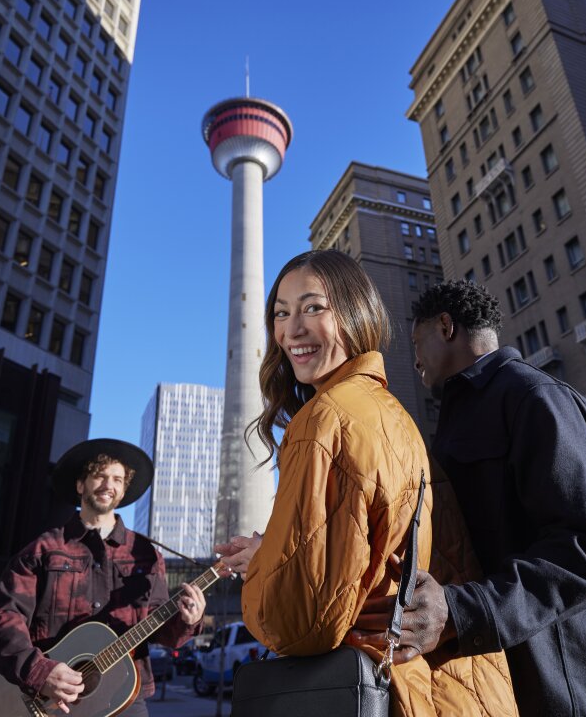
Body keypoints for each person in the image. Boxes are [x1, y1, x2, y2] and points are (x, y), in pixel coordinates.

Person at [217, 250, 517, 717]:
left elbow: (299, 622)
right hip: (462, 691)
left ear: (355, 313)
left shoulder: (328, 419)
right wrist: (276, 548)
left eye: (314, 307)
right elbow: (372, 561)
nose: (292, 329)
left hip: (391, 694)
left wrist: (264, 566)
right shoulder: (393, 414)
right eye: (281, 312)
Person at [350, 280, 586, 715]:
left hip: (562, 693)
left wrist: (460, 611)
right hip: (491, 684)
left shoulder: (536, 398)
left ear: (446, 326)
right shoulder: (458, 416)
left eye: (417, 342)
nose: (414, 359)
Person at [0, 439, 206, 716]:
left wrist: (187, 621)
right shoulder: (44, 549)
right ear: (81, 485)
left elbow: (161, 628)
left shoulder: (146, 554)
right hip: (52, 697)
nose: (108, 485)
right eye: (99, 476)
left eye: (117, 479)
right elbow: (4, 619)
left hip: (126, 695)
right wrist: (40, 673)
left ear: (123, 490)